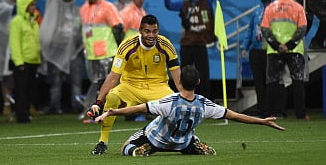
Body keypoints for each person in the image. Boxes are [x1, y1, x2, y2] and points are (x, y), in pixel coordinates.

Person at [95, 65, 285, 157]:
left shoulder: (168, 102)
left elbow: (137, 108)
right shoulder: (204, 104)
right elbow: (234, 116)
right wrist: (261, 121)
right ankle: (196, 146)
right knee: (190, 137)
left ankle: (140, 150)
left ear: (179, 82)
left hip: (157, 139)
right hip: (181, 144)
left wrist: (112, 112)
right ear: (198, 83)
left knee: (126, 146)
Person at [86, 14, 181, 155]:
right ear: (140, 31)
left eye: (155, 31)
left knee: (177, 105)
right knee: (112, 96)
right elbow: (113, 77)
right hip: (131, 86)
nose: (151, 35)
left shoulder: (166, 45)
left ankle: (184, 140)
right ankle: (103, 142)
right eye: (147, 31)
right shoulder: (127, 46)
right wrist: (99, 102)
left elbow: (177, 77)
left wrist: (187, 99)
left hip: (158, 87)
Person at [164, 0, 219, 100]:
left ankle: (205, 102)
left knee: (203, 76)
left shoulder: (206, 2)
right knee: (186, 76)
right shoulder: (184, 4)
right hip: (187, 46)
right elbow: (169, 5)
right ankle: (185, 100)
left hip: (201, 45)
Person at [260, 0, 310, 120]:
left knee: (272, 82)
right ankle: (301, 114)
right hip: (294, 49)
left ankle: (270, 114)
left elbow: (264, 29)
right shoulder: (298, 7)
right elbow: (302, 28)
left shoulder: (270, 8)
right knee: (298, 81)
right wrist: (289, 45)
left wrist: (277, 45)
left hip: (274, 50)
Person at [79, 0, 124, 120]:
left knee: (107, 83)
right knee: (95, 82)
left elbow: (118, 28)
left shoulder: (108, 7)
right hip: (91, 53)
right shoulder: (83, 9)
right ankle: (93, 110)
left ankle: (106, 110)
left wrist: (118, 48)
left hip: (106, 52)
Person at [40, 0, 84, 114]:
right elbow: (48, 31)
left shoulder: (77, 11)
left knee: (76, 80)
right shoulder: (54, 11)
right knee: (55, 81)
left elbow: (81, 29)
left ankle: (77, 105)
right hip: (56, 51)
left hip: (74, 52)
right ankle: (55, 106)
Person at [241, 0, 279, 117]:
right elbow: (250, 29)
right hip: (256, 51)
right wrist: (245, 47)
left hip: (271, 50)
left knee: (271, 82)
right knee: (258, 82)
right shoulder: (257, 11)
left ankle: (272, 110)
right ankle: (261, 110)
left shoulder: (278, 11)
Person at [9, 0, 42, 123]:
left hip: (33, 60)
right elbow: (15, 43)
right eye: (31, 5)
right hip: (23, 61)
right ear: (25, 6)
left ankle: (26, 113)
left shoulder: (33, 20)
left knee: (30, 90)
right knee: (21, 90)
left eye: (34, 4)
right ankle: (21, 115)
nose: (34, 7)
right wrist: (18, 62)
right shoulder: (17, 21)